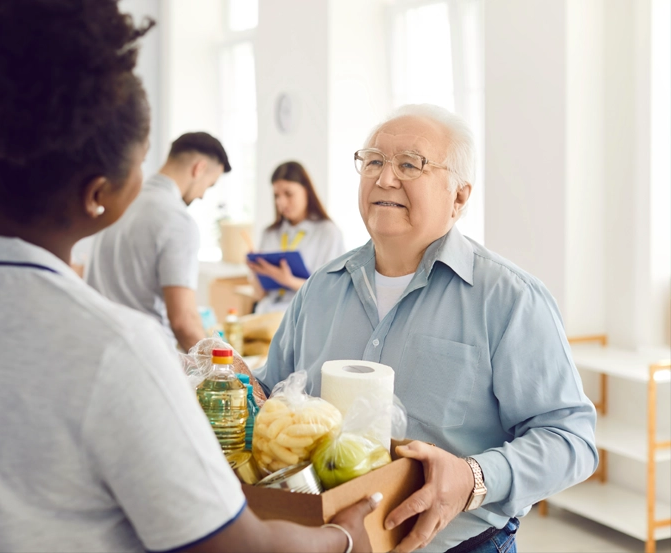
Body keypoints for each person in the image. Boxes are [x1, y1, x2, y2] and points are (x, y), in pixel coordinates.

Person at [0, 1, 379, 552]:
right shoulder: (114, 349)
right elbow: (237, 546)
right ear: (98, 193)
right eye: (140, 162)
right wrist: (342, 536)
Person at [255, 104, 598, 553]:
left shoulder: (509, 298)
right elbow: (272, 393)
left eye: (409, 164)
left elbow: (571, 439)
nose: (385, 178)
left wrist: (473, 477)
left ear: (459, 197)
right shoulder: (320, 288)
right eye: (373, 161)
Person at [85, 132, 230, 351]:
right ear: (199, 169)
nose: (202, 195)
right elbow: (184, 323)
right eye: (209, 185)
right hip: (145, 354)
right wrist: (221, 367)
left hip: (100, 347)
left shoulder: (119, 202)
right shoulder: (177, 219)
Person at [248, 161, 345, 314]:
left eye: (288, 194)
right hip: (267, 314)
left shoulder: (328, 232)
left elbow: (330, 291)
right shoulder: (269, 233)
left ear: (306, 191)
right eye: (276, 196)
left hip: (304, 315)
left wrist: (288, 280)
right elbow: (260, 295)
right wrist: (255, 272)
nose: (281, 202)